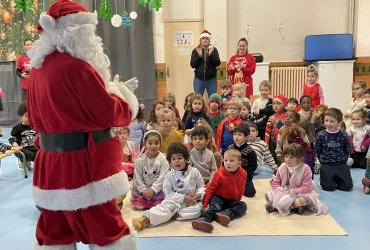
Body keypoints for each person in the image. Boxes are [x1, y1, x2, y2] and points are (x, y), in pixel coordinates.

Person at [27, 0, 139, 248]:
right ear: (78, 32)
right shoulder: (78, 68)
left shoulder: (37, 69)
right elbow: (107, 113)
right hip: (84, 167)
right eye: (90, 33)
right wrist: (125, 99)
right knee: (106, 230)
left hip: (50, 166)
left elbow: (35, 119)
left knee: (55, 231)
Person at [132, 143, 205, 231]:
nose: (176, 161)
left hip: (191, 203)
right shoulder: (170, 175)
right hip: (175, 201)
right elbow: (167, 193)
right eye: (173, 159)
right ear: (170, 162)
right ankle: (145, 219)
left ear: (186, 160)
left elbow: (201, 186)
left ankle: (175, 214)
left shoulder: (194, 172)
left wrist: (198, 195)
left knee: (200, 209)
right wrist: (183, 198)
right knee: (167, 208)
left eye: (179, 158)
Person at [191, 149, 247, 233]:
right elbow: (210, 189)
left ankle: (226, 214)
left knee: (243, 205)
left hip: (231, 200)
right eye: (226, 160)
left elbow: (241, 188)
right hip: (218, 197)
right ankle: (203, 219)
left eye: (232, 161)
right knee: (215, 207)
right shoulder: (218, 174)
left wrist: (237, 201)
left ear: (239, 163)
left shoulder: (243, 174)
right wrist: (205, 203)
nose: (228, 163)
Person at [265, 143, 328, 216]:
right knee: (268, 194)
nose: (288, 160)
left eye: (292, 157)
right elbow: (275, 183)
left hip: (301, 192)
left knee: (303, 200)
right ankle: (295, 207)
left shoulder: (305, 169)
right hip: (284, 191)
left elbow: (306, 188)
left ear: (299, 158)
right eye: (286, 156)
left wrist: (291, 192)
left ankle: (281, 207)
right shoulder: (282, 167)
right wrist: (280, 190)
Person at [315, 108, 353, 191]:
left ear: (339, 123)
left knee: (347, 187)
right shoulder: (321, 135)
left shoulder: (343, 135)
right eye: (326, 120)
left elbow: (346, 149)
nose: (328, 123)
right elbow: (318, 149)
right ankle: (326, 176)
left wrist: (344, 160)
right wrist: (322, 160)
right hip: (326, 164)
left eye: (332, 121)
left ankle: (336, 178)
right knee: (328, 187)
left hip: (340, 163)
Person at [131, 130, 169, 209]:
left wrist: (153, 189)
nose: (153, 146)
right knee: (138, 206)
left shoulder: (163, 159)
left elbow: (163, 177)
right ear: (145, 144)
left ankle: (155, 201)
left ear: (160, 144)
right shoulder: (140, 159)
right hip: (144, 186)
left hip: (157, 188)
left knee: (158, 206)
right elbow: (137, 176)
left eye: (156, 143)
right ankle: (143, 199)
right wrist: (143, 190)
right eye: (150, 143)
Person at [228, 123, 258, 197]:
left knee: (251, 193)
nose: (236, 137)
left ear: (246, 137)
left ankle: (238, 187)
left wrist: (244, 175)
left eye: (239, 135)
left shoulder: (250, 151)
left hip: (244, 176)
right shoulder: (230, 148)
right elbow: (225, 162)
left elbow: (253, 166)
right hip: (231, 174)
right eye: (235, 134)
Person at [190, 30, 221, 97]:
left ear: (209, 40)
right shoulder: (195, 50)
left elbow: (217, 63)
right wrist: (199, 56)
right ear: (200, 40)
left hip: (211, 79)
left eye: (207, 38)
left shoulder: (213, 50)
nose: (205, 40)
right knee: (198, 98)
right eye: (203, 38)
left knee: (213, 98)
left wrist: (211, 55)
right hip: (199, 79)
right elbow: (192, 65)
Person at [9, 102, 37, 170]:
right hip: (22, 149)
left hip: (33, 148)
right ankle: (21, 161)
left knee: (40, 154)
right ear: (21, 117)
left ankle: (30, 161)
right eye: (27, 116)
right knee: (28, 154)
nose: (29, 118)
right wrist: (14, 143)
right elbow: (11, 138)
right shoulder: (17, 127)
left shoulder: (35, 126)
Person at [265, 94, 287, 164]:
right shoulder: (271, 117)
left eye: (278, 103)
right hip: (273, 142)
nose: (275, 105)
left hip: (284, 142)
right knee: (274, 158)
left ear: (283, 105)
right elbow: (267, 131)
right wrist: (266, 143)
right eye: (274, 103)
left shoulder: (287, 116)